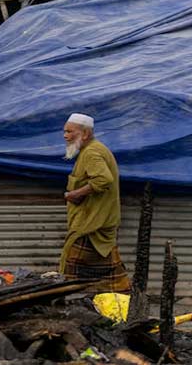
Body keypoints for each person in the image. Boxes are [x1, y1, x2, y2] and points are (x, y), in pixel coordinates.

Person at [59, 113, 130, 293]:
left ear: (85, 133)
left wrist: (75, 194)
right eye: (64, 131)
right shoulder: (92, 150)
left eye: (69, 132)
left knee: (70, 272)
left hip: (91, 226)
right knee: (107, 274)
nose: (65, 136)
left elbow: (103, 179)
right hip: (95, 224)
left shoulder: (92, 152)